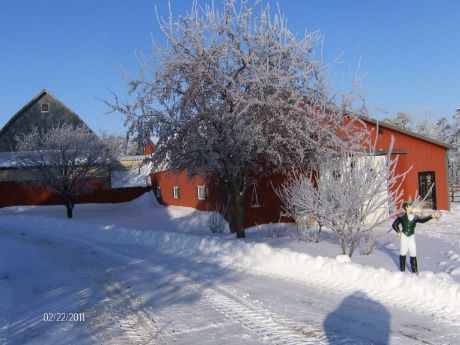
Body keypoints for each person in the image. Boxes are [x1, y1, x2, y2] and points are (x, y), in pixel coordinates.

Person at [392, 201, 437, 274]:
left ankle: (415, 271)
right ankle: (402, 270)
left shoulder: (415, 217)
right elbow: (394, 225)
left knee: (413, 252)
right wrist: (398, 232)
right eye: (410, 206)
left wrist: (431, 216)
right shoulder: (401, 216)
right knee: (403, 252)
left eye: (412, 206)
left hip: (411, 236)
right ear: (406, 208)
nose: (412, 207)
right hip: (404, 236)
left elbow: (422, 220)